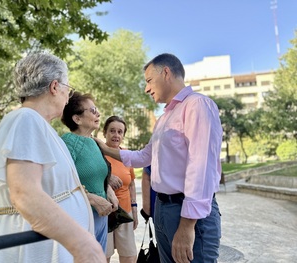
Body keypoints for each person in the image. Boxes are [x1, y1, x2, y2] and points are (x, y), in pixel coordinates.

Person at [0, 53, 106, 262]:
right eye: (68, 88)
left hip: (48, 243)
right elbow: (25, 194)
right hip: (39, 247)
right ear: (55, 87)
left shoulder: (36, 122)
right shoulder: (26, 119)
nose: (67, 96)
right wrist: (82, 244)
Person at [95, 53, 223, 263]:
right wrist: (104, 149)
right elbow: (144, 156)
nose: (146, 88)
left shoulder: (197, 105)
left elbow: (201, 168)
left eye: (148, 81)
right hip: (163, 209)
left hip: (186, 214)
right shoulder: (164, 118)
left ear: (166, 73)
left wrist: (187, 225)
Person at [61, 92, 119, 254]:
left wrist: (108, 190)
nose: (98, 114)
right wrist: (93, 200)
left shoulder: (93, 143)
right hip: (81, 217)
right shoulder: (68, 142)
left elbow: (100, 174)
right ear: (77, 119)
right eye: (92, 110)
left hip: (101, 216)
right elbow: (62, 184)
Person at [103, 116, 138, 263]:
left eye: (120, 132)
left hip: (125, 212)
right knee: (103, 256)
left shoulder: (126, 156)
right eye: (112, 131)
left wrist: (134, 211)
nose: (116, 135)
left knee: (129, 256)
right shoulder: (97, 153)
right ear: (104, 133)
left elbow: (131, 184)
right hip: (104, 213)